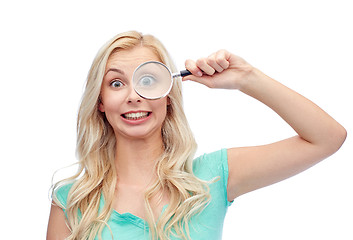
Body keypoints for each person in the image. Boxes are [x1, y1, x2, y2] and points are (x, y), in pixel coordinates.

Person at [46, 31, 346, 240]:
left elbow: (327, 138)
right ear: (100, 102)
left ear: (168, 95)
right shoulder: (72, 200)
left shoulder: (212, 177)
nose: (134, 95)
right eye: (115, 83)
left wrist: (246, 78)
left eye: (148, 80)